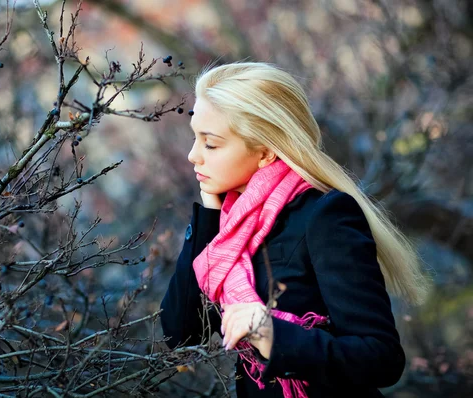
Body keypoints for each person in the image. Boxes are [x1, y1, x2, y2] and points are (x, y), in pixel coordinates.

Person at [160, 62, 429, 398]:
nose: (192, 156)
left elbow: (381, 358)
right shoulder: (227, 229)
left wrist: (273, 336)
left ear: (266, 151)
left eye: (210, 144)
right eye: (195, 139)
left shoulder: (324, 216)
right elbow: (181, 334)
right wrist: (209, 219)